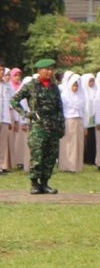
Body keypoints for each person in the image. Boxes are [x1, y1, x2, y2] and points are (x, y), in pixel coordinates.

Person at [9, 59, 64, 194]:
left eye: (51, 69)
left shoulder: (54, 87)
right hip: (38, 127)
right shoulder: (31, 85)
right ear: (39, 70)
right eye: (47, 69)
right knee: (37, 156)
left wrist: (62, 126)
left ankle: (45, 183)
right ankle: (34, 183)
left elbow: (59, 108)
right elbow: (14, 100)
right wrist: (26, 114)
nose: (50, 72)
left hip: (53, 127)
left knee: (50, 156)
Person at [58, 73, 85, 173]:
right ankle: (67, 165)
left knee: (78, 143)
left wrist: (85, 125)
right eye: (73, 85)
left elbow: (84, 111)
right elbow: (61, 110)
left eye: (77, 86)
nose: (75, 88)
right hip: (69, 120)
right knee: (69, 144)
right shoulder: (64, 96)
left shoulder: (81, 96)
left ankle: (76, 165)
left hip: (79, 120)